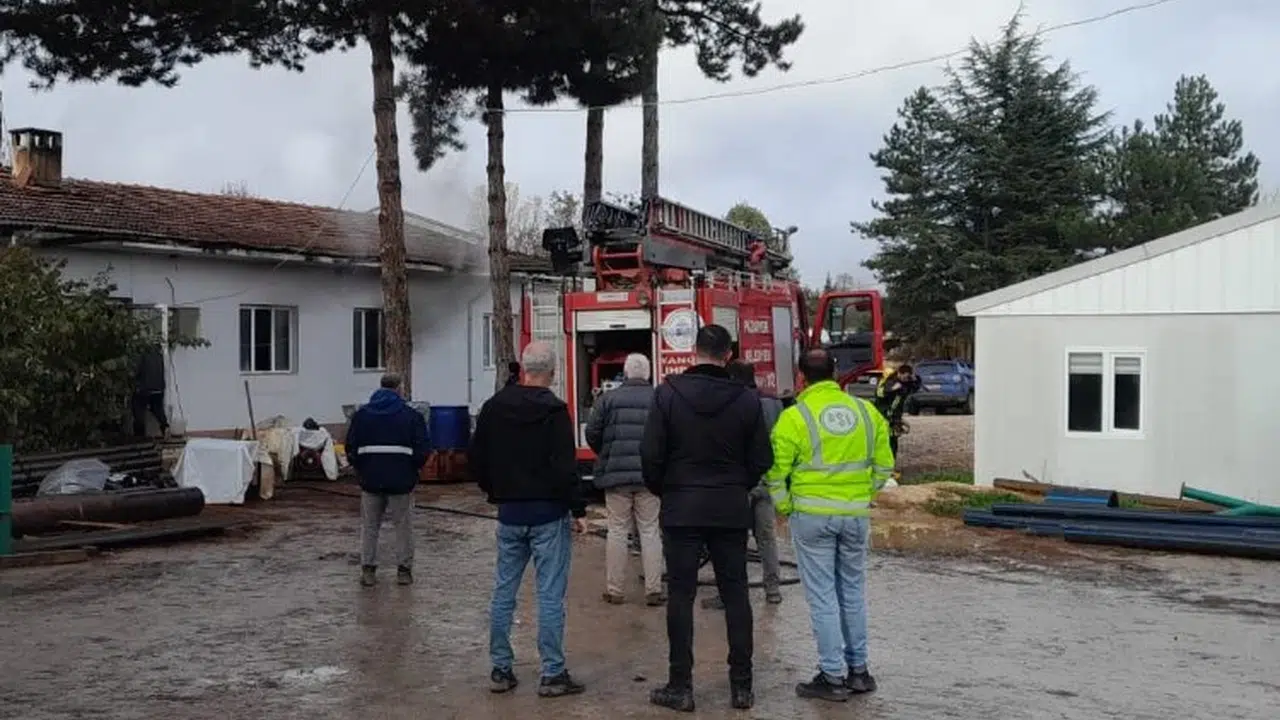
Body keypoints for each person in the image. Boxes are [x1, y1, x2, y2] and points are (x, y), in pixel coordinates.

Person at [640, 324, 773, 712]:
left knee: (681, 595)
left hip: (681, 507)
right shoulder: (746, 400)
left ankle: (680, 685)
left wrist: (666, 490)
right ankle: (741, 687)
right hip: (729, 507)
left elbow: (650, 454)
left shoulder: (667, 394)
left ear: (693, 350)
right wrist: (737, 485)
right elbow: (761, 458)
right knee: (736, 594)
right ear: (728, 356)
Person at [766, 349, 894, 703]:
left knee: (823, 596)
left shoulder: (794, 417)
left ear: (801, 378)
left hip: (811, 517)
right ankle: (859, 671)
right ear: (836, 374)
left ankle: (832, 675)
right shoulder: (866, 412)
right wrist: (863, 494)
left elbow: (775, 471)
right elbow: (884, 465)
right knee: (852, 591)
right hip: (855, 516)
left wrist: (786, 506)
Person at [469, 341, 589, 699]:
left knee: (504, 591)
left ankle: (500, 668)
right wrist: (578, 509)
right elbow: (566, 466)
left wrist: (495, 490)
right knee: (550, 594)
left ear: (523, 369)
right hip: (549, 513)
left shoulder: (494, 407)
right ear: (552, 372)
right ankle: (552, 673)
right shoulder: (555, 411)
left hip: (510, 513)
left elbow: (476, 458)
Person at [584, 352, 665, 607]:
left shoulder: (608, 399)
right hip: (649, 478)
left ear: (626, 373)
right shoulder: (659, 399)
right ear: (648, 374)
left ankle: (615, 590)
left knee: (617, 531)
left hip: (616, 477)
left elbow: (592, 431)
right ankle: (653, 589)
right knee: (650, 530)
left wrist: (606, 452)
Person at [703, 361, 783, 608]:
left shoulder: (731, 404)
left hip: (738, 482)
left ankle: (729, 595)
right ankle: (773, 590)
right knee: (767, 537)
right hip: (767, 478)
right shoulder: (773, 403)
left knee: (731, 540)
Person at [344, 372, 430, 588]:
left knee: (370, 526)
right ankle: (403, 571)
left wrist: (361, 469)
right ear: (399, 388)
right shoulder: (412, 416)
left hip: (370, 480)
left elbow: (350, 447)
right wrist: (412, 470)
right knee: (403, 526)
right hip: (401, 481)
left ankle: (368, 570)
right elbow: (423, 449)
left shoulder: (361, 416)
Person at [873, 363, 920, 458]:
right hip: (884, 414)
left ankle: (891, 462)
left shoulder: (905, 382)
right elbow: (880, 394)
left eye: (908, 377)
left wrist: (916, 379)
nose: (906, 380)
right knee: (887, 440)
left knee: (893, 440)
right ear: (899, 373)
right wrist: (893, 389)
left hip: (894, 415)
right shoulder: (891, 381)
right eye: (904, 377)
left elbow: (915, 387)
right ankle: (886, 462)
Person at [132, 343, 169, 437]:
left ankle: (140, 435)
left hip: (145, 388)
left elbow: (137, 371)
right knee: (158, 409)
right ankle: (165, 426)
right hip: (159, 388)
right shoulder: (159, 356)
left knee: (138, 409)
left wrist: (136, 383)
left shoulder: (142, 355)